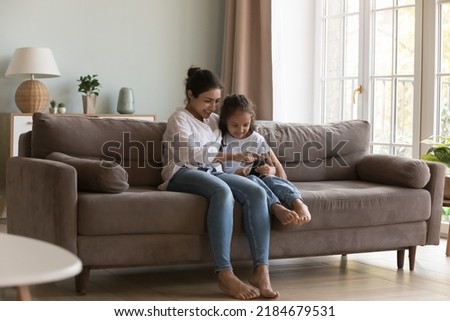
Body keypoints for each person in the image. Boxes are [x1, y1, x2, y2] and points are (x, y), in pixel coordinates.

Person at [159, 67, 280, 300]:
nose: (212, 107)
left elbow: (248, 135)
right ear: (190, 94)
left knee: (256, 191)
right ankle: (224, 273)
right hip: (182, 172)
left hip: (213, 172)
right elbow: (191, 156)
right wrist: (232, 157)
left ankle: (261, 270)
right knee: (222, 191)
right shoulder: (179, 119)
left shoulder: (216, 120)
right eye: (207, 101)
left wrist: (270, 165)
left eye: (216, 101)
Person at [219, 93, 311, 226]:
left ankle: (299, 203)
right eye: (234, 125)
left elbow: (274, 168)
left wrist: (270, 170)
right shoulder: (222, 139)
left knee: (272, 180)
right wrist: (240, 172)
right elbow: (220, 170)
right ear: (225, 121)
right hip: (239, 181)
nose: (240, 130)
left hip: (261, 177)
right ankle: (276, 207)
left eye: (245, 124)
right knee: (253, 180)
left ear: (251, 119)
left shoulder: (257, 139)